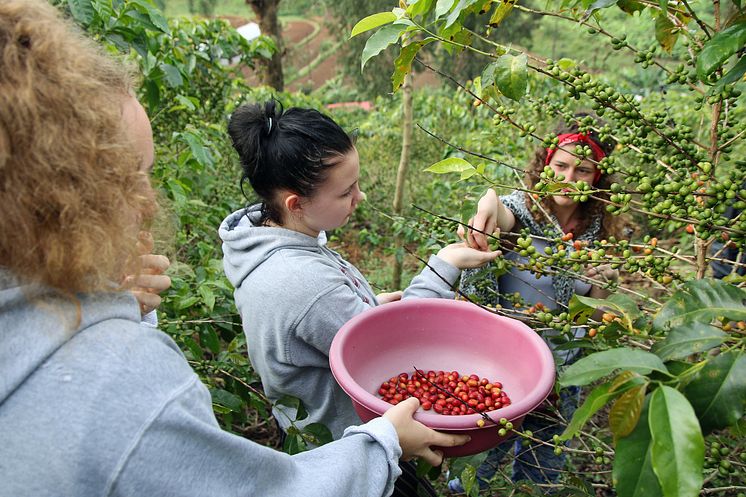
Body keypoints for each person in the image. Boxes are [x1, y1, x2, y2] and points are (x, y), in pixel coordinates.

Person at [0, 2, 470, 496]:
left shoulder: (258, 242)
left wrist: (107, 306)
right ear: (57, 203)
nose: (147, 205)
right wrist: (384, 444)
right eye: (132, 178)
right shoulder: (126, 388)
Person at [219, 101, 500, 496]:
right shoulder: (305, 284)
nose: (360, 198)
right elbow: (397, 348)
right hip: (350, 452)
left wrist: (362, 305)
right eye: (346, 192)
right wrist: (444, 264)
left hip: (311, 436)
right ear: (295, 204)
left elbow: (311, 325)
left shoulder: (264, 239)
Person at [449, 115, 625, 492]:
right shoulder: (525, 213)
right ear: (545, 165)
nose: (568, 177)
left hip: (559, 372)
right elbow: (499, 211)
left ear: (598, 177)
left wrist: (603, 284)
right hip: (499, 366)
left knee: (542, 470)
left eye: (582, 170)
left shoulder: (597, 234)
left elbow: (591, 317)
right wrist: (486, 209)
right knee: (476, 464)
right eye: (560, 165)